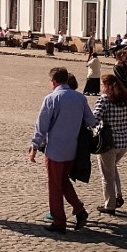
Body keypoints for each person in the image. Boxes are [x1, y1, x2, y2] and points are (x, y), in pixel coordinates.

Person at [28, 67, 96, 233]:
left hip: (55, 151)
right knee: (63, 181)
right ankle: (79, 210)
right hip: (72, 150)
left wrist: (34, 146)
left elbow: (41, 125)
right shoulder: (80, 98)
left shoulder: (51, 98)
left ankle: (59, 221)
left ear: (54, 81)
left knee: (54, 186)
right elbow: (91, 120)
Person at [92, 74, 127, 215]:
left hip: (108, 143)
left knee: (107, 174)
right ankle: (118, 195)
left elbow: (94, 119)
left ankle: (110, 205)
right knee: (112, 168)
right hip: (124, 143)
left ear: (106, 86)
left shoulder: (104, 100)